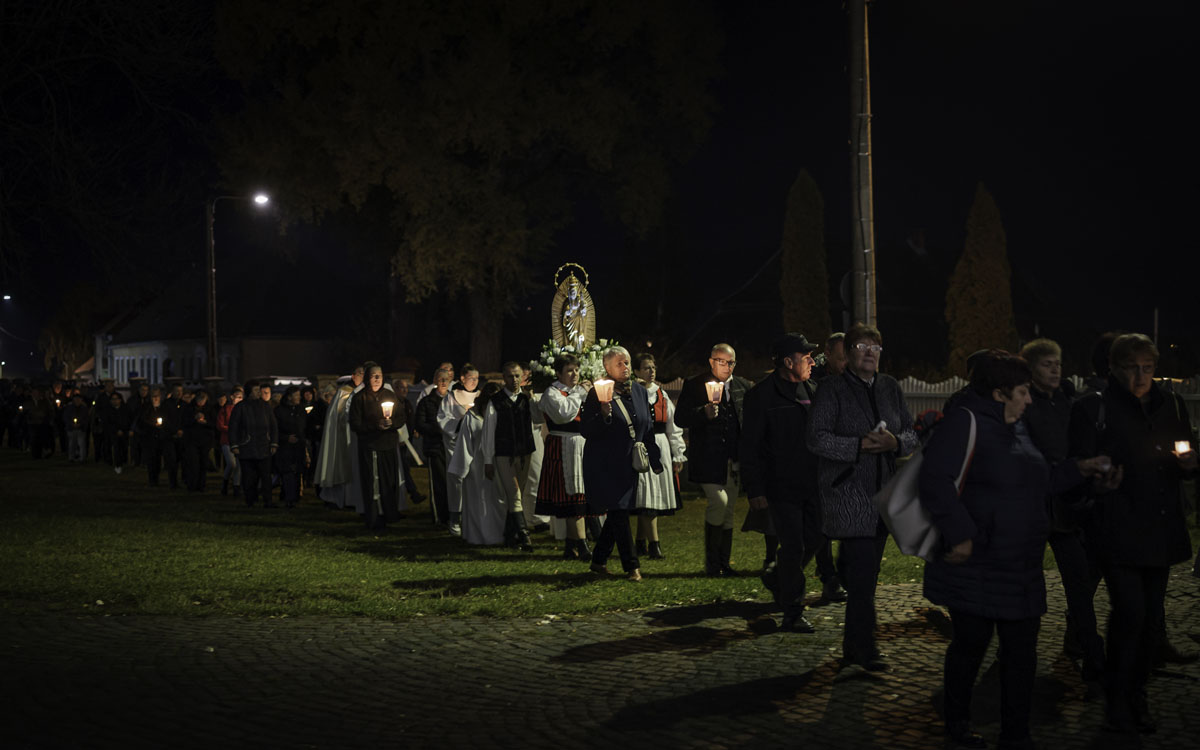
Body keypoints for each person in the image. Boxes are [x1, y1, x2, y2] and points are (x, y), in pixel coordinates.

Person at [920, 351, 1115, 749]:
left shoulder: (1020, 428)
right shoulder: (965, 421)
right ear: (999, 393)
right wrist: (960, 534)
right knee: (970, 647)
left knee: (1022, 655)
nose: (1029, 399)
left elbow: (1041, 481)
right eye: (1023, 391)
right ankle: (957, 723)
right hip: (976, 564)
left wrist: (1080, 469)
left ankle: (1016, 735)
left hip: (1021, 565)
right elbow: (934, 480)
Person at [1068, 333, 1196, 734]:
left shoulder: (1171, 404)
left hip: (1160, 527)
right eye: (1131, 368)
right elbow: (1076, 468)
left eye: (1147, 368)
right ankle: (1118, 698)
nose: (1140, 377)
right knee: (1130, 614)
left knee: (1150, 621)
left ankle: (1137, 694)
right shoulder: (1093, 408)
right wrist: (1098, 482)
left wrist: (1189, 464)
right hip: (1117, 527)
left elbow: (1185, 452)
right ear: (1113, 368)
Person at [807, 323, 918, 671]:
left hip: (884, 494)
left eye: (875, 348)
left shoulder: (889, 387)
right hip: (849, 492)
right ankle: (864, 649)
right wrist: (858, 446)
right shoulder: (832, 389)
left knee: (865, 575)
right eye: (861, 347)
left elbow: (911, 432)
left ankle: (854, 645)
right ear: (848, 353)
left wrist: (896, 442)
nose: (869, 353)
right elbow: (816, 438)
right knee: (863, 574)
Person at [1019, 338, 1104, 686]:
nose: (1055, 370)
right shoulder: (1024, 404)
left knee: (1079, 584)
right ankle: (1018, 654)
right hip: (1033, 508)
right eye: (1047, 364)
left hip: (1065, 507)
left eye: (1058, 363)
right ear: (1031, 369)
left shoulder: (1068, 404)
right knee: (1027, 585)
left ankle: (1093, 656)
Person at [741, 333, 834, 634]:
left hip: (814, 483)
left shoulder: (814, 389)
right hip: (781, 486)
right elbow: (750, 447)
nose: (812, 361)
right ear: (787, 362)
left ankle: (776, 576)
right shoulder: (761, 396)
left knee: (817, 537)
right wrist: (755, 489)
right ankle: (793, 611)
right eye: (805, 357)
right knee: (793, 545)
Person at [580, 346, 663, 581]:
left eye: (626, 362)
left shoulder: (639, 391)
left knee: (620, 511)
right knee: (619, 511)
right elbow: (586, 430)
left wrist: (654, 459)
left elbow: (646, 427)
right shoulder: (597, 393)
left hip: (629, 463)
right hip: (605, 464)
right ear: (607, 368)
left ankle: (598, 560)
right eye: (619, 364)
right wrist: (603, 415)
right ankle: (632, 566)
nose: (625, 367)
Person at [674, 343, 754, 576]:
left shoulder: (742, 386)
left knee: (728, 509)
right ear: (711, 362)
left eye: (731, 362)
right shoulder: (695, 385)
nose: (727, 366)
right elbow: (680, 418)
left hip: (733, 459)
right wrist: (703, 413)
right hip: (708, 458)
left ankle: (723, 564)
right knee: (719, 502)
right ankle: (712, 563)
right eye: (721, 361)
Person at [535, 354, 593, 561]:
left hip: (581, 444)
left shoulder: (578, 391)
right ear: (559, 373)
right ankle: (582, 544)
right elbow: (563, 414)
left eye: (576, 370)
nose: (574, 374)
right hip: (562, 445)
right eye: (569, 370)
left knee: (578, 494)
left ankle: (571, 545)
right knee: (571, 496)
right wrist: (580, 393)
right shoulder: (552, 393)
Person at [632, 353, 685, 560]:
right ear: (637, 371)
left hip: (660, 446)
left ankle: (640, 542)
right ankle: (654, 544)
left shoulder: (661, 394)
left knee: (652, 495)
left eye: (653, 367)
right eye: (646, 368)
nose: (651, 371)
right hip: (642, 447)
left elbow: (673, 426)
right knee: (646, 497)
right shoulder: (632, 393)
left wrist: (677, 453)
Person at [481, 361, 536, 551]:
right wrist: (488, 460)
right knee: (514, 494)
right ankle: (524, 535)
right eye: (510, 376)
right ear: (504, 378)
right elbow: (489, 432)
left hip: (524, 452)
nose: (514, 380)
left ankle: (509, 536)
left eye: (517, 376)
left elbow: (536, 421)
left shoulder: (526, 398)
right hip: (504, 453)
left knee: (517, 496)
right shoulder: (495, 401)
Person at [348, 362, 407, 530]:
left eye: (379, 376)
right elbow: (355, 423)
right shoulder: (360, 398)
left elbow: (401, 416)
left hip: (388, 445)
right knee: (372, 482)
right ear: (367, 378)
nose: (376, 379)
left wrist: (392, 423)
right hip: (370, 446)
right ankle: (374, 517)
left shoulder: (389, 395)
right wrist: (376, 425)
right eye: (373, 375)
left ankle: (390, 514)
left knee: (389, 481)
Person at [448, 383, 507, 545]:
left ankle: (499, 535)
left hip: (498, 463)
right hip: (476, 466)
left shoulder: (502, 414)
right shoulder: (472, 417)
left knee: (497, 501)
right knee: (479, 501)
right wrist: (461, 468)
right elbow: (465, 443)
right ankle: (478, 536)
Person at [437, 364, 481, 535]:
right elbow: (443, 418)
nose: (474, 381)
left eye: (477, 378)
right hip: (456, 446)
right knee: (457, 480)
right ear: (462, 379)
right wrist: (462, 421)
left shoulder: (480, 396)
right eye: (471, 378)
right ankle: (455, 518)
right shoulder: (451, 397)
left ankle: (474, 519)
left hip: (476, 445)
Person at [314, 367, 366, 511]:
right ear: (354, 376)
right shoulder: (344, 392)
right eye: (361, 374)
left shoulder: (362, 392)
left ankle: (352, 499)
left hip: (356, 436)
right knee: (340, 468)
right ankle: (336, 499)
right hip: (342, 436)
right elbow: (338, 416)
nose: (363, 377)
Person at [229, 381, 279, 508]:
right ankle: (250, 500)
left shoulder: (265, 406)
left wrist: (273, 443)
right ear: (249, 392)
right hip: (247, 446)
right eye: (256, 390)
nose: (259, 393)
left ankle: (268, 501)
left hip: (263, 446)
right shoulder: (240, 407)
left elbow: (273, 425)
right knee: (249, 477)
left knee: (266, 476)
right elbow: (233, 427)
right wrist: (234, 445)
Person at [414, 368, 452, 526]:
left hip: (451, 448)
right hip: (435, 447)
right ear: (435, 381)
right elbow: (420, 424)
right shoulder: (426, 402)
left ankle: (453, 514)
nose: (443, 382)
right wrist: (439, 429)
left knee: (452, 483)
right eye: (440, 379)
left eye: (446, 380)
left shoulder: (454, 400)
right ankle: (439, 516)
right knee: (438, 483)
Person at [274, 386, 308, 508]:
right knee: (287, 471)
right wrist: (285, 438)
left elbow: (304, 426)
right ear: (289, 397)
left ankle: (295, 496)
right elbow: (275, 429)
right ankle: (289, 498)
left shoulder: (301, 409)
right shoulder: (279, 411)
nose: (299, 397)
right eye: (296, 395)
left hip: (299, 445)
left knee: (298, 470)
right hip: (285, 446)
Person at [181, 390, 218, 493]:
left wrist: (206, 422)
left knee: (203, 463)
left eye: (203, 400)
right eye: (199, 400)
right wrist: (194, 419)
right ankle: (192, 485)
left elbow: (214, 423)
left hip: (205, 440)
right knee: (193, 463)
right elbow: (184, 422)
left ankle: (201, 485)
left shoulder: (210, 409)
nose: (201, 403)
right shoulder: (189, 408)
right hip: (191, 440)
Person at [138, 388, 169, 486]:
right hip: (149, 436)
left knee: (158, 459)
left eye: (157, 396)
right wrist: (153, 424)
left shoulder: (163, 407)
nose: (155, 398)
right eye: (153, 396)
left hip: (161, 437)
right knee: (151, 459)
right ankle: (152, 480)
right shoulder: (146, 407)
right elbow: (142, 420)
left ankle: (157, 477)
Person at [217, 387, 243, 496]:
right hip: (227, 441)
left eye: (241, 397)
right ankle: (225, 481)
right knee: (232, 463)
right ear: (232, 397)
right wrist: (232, 429)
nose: (240, 399)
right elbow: (220, 425)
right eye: (238, 397)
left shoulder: (243, 409)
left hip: (239, 441)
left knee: (239, 465)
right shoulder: (225, 410)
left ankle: (236, 486)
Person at [162, 383, 186, 489]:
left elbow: (186, 419)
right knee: (172, 460)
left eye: (181, 391)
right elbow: (165, 420)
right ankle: (173, 482)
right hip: (169, 436)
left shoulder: (184, 404)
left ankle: (184, 480)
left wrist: (182, 430)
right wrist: (175, 430)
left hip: (182, 436)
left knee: (183, 459)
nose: (179, 393)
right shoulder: (166, 404)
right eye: (177, 391)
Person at [102, 391, 132, 473]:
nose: (115, 401)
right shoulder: (108, 410)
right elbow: (107, 422)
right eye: (113, 399)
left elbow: (129, 420)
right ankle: (118, 464)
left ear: (120, 400)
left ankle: (123, 461)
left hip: (124, 432)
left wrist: (128, 429)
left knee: (124, 447)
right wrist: (116, 430)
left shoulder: (125, 409)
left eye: (116, 399)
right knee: (116, 448)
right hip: (113, 433)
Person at [63, 392, 90, 462]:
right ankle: (71, 457)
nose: (77, 401)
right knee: (72, 444)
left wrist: (80, 424)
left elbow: (86, 418)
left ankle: (82, 458)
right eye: (76, 399)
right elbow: (66, 417)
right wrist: (71, 424)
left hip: (81, 429)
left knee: (81, 444)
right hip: (71, 429)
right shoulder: (69, 408)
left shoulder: (84, 408)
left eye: (79, 399)